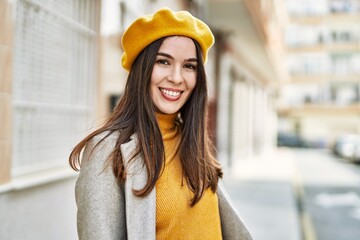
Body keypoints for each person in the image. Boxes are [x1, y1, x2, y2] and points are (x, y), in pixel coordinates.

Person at [69, 7, 252, 240]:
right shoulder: (107, 150)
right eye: (163, 62)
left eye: (189, 66)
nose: (176, 77)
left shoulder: (191, 142)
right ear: (142, 69)